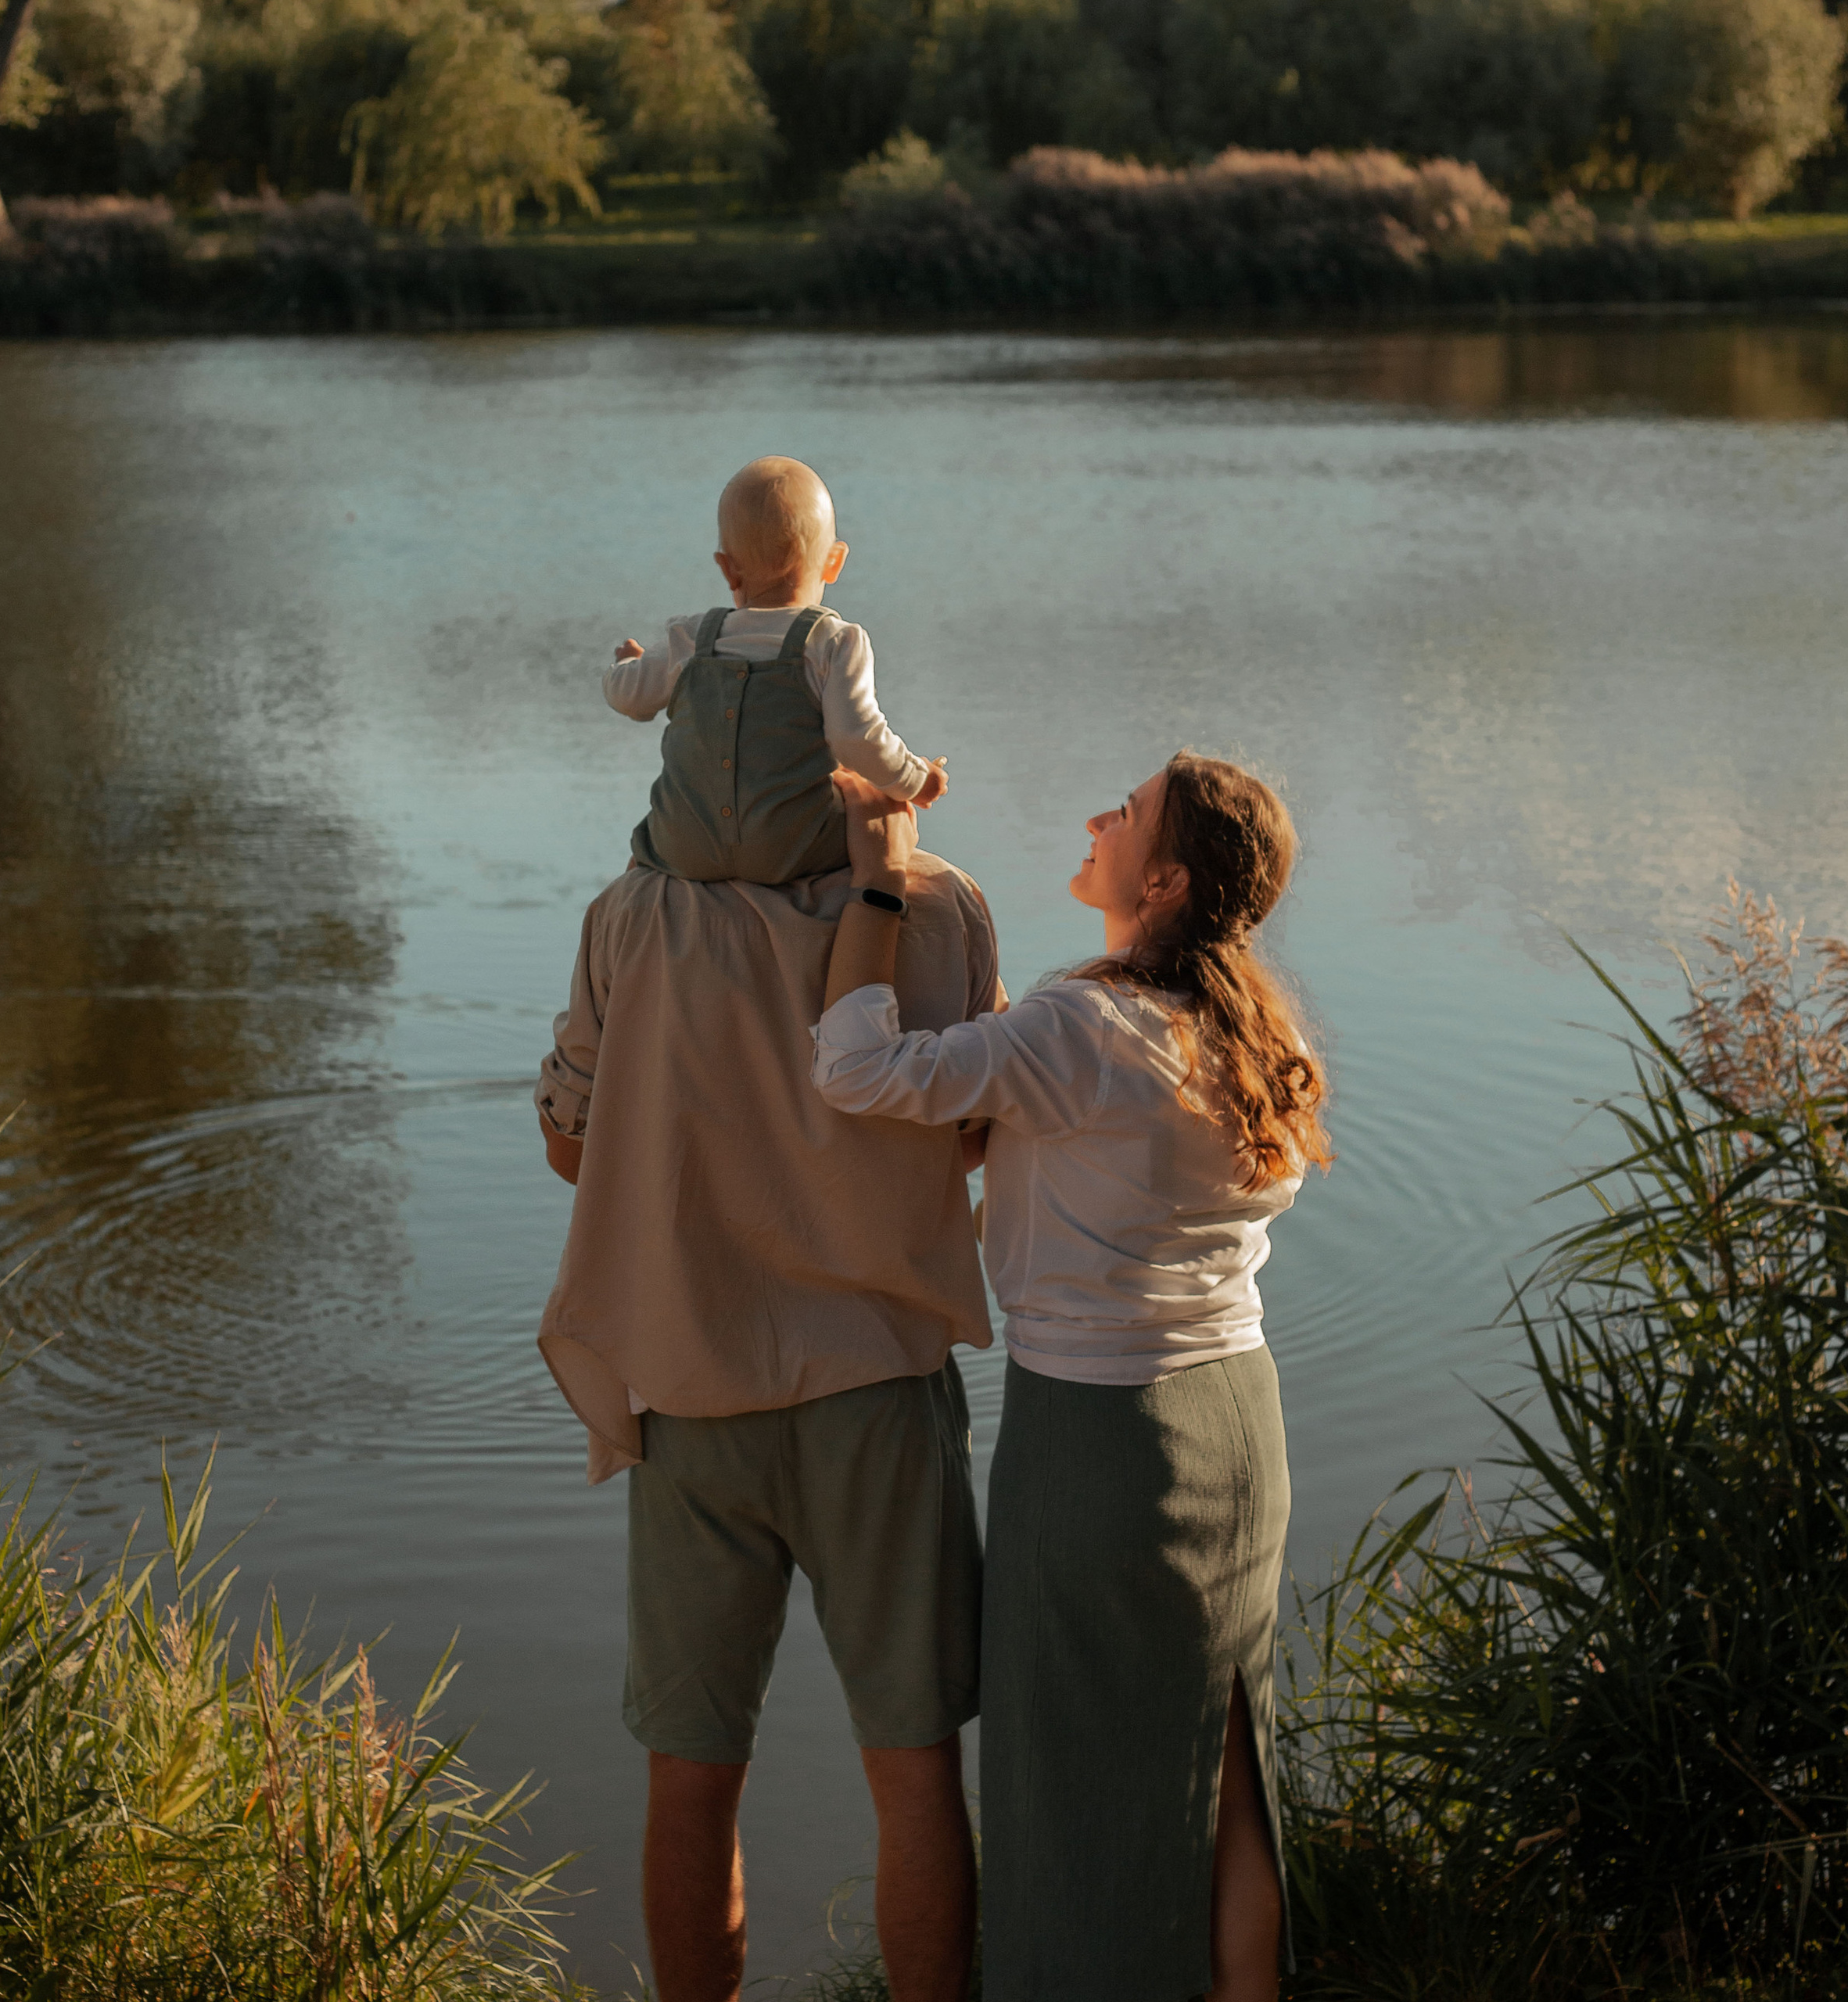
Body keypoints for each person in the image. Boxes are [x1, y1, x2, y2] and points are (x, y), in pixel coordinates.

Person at [812, 752, 1332, 2002]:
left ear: (1163, 880)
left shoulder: (1080, 1028)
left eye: (1130, 812)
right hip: (1239, 1425)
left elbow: (857, 1072)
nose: (1099, 815)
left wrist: (879, 885)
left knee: (1071, 1784)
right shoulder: (1241, 1027)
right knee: (1224, 1762)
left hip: (1102, 1441)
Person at [535, 839, 1002, 2002]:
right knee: (915, 1763)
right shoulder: (941, 902)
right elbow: (978, 1129)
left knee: (691, 1774)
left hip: (694, 1385)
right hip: (881, 1388)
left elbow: (570, 1150)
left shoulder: (633, 914)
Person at [604, 455, 947, 884]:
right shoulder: (834, 641)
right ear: (835, 561)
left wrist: (629, 664)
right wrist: (916, 779)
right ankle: (875, 908)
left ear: (728, 568)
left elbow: (627, 697)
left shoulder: (688, 638)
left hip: (683, 848)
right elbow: (855, 739)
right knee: (881, 807)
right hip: (793, 849)